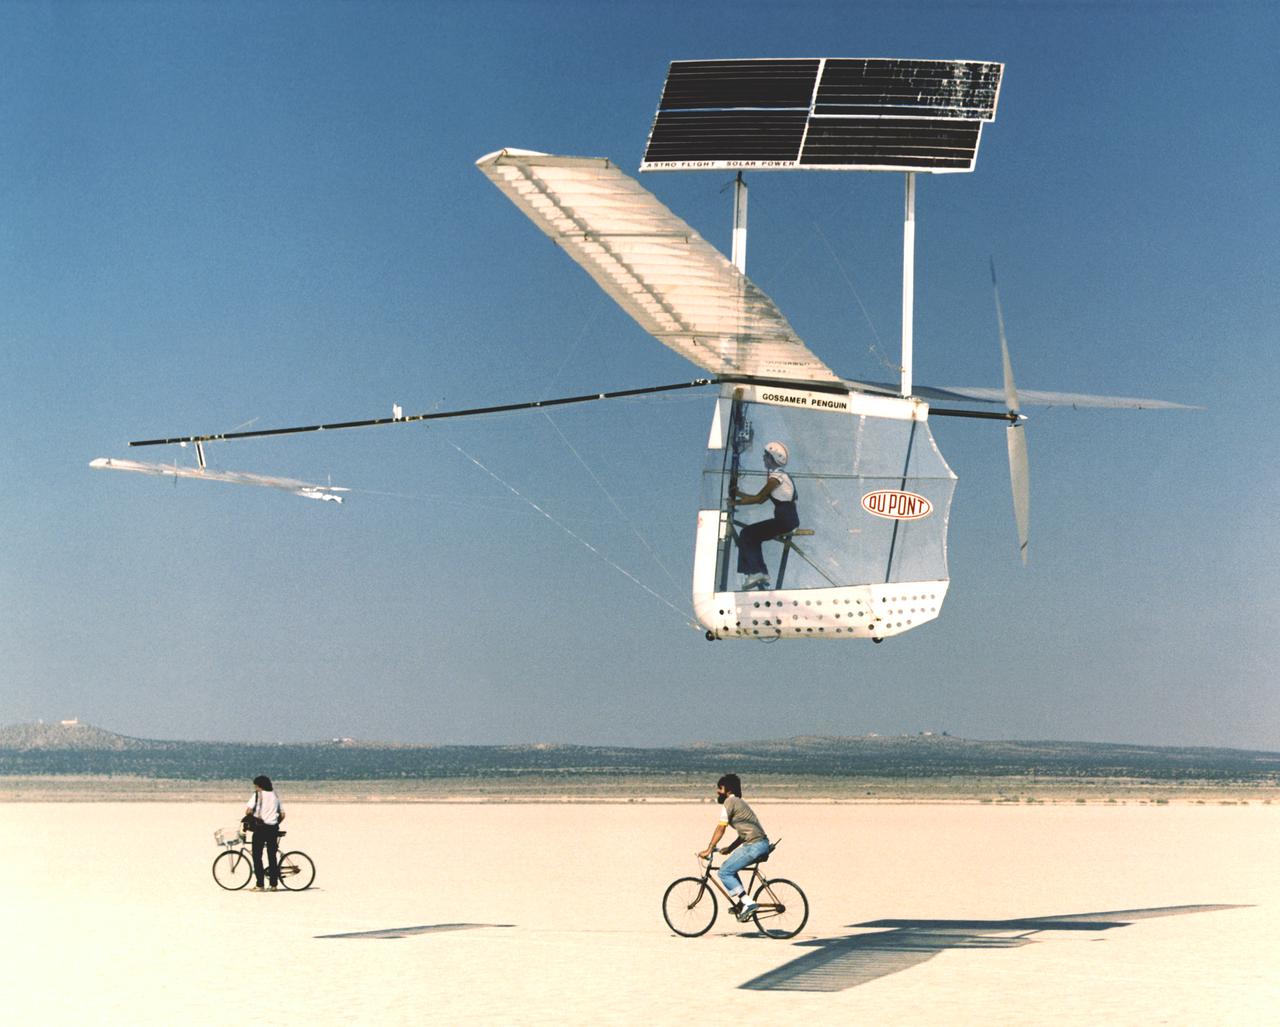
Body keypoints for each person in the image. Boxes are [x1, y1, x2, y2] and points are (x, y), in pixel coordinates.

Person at [697, 773, 771, 921]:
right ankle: (742, 903)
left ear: (728, 790)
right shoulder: (739, 802)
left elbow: (720, 828)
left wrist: (710, 848)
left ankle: (748, 903)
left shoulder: (729, 802)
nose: (717, 791)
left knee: (724, 872)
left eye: (720, 788)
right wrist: (730, 849)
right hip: (759, 844)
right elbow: (743, 834)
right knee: (730, 867)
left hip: (754, 845)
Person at [733, 440, 798, 590]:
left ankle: (757, 572)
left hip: (785, 520)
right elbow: (761, 499)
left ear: (772, 458)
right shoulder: (779, 476)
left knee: (748, 533)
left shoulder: (777, 478)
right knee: (751, 534)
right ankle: (757, 571)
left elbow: (758, 498)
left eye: (765, 456)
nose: (763, 458)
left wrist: (735, 503)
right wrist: (738, 495)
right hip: (787, 519)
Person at [245, 774, 285, 892]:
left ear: (259, 786)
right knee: (272, 857)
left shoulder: (257, 795)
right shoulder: (275, 795)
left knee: (257, 856)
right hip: (273, 829)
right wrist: (275, 822)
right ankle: (274, 885)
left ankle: (260, 885)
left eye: (256, 786)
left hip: (260, 829)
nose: (255, 788)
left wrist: (253, 817)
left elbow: (247, 811)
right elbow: (282, 815)